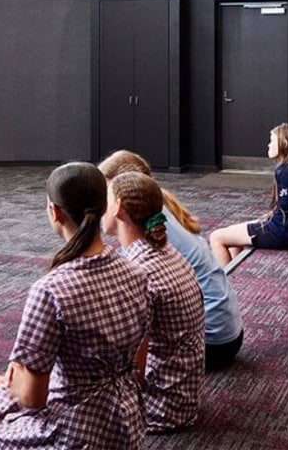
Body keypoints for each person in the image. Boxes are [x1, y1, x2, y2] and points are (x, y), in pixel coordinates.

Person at [0, 162, 149, 450]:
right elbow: (138, 367)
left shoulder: (51, 289)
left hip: (74, 434)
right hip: (125, 424)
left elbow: (32, 399)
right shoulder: (137, 275)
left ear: (55, 212)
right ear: (104, 208)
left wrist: (18, 377)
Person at [99, 150, 246, 370]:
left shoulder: (152, 237)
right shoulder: (158, 214)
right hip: (228, 333)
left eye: (106, 194)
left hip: (212, 344)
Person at [104, 172, 205, 432]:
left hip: (159, 408)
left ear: (119, 209)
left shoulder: (138, 274)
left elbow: (133, 371)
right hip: (183, 397)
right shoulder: (168, 253)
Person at [208, 123, 288, 265]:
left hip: (282, 232)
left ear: (285, 143)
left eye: (272, 141)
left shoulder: (285, 171)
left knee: (216, 237)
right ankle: (233, 276)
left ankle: (222, 285)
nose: (268, 145)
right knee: (232, 236)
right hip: (287, 228)